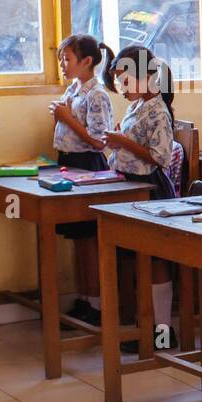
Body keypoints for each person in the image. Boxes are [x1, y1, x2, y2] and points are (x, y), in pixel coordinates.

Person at [106, 45, 178, 351]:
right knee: (137, 260)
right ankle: (144, 326)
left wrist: (123, 141)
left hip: (150, 189)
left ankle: (163, 332)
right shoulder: (136, 107)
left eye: (125, 80)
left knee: (156, 258)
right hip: (129, 186)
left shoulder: (159, 111)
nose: (121, 88)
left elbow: (161, 157)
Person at [49, 34, 115, 326]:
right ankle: (84, 299)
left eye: (67, 59)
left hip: (88, 166)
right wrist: (60, 116)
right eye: (61, 58)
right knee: (78, 239)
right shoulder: (74, 89)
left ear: (87, 61)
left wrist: (67, 118)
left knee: (89, 239)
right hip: (69, 163)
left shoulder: (97, 94)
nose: (62, 64)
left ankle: (97, 304)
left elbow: (99, 141)